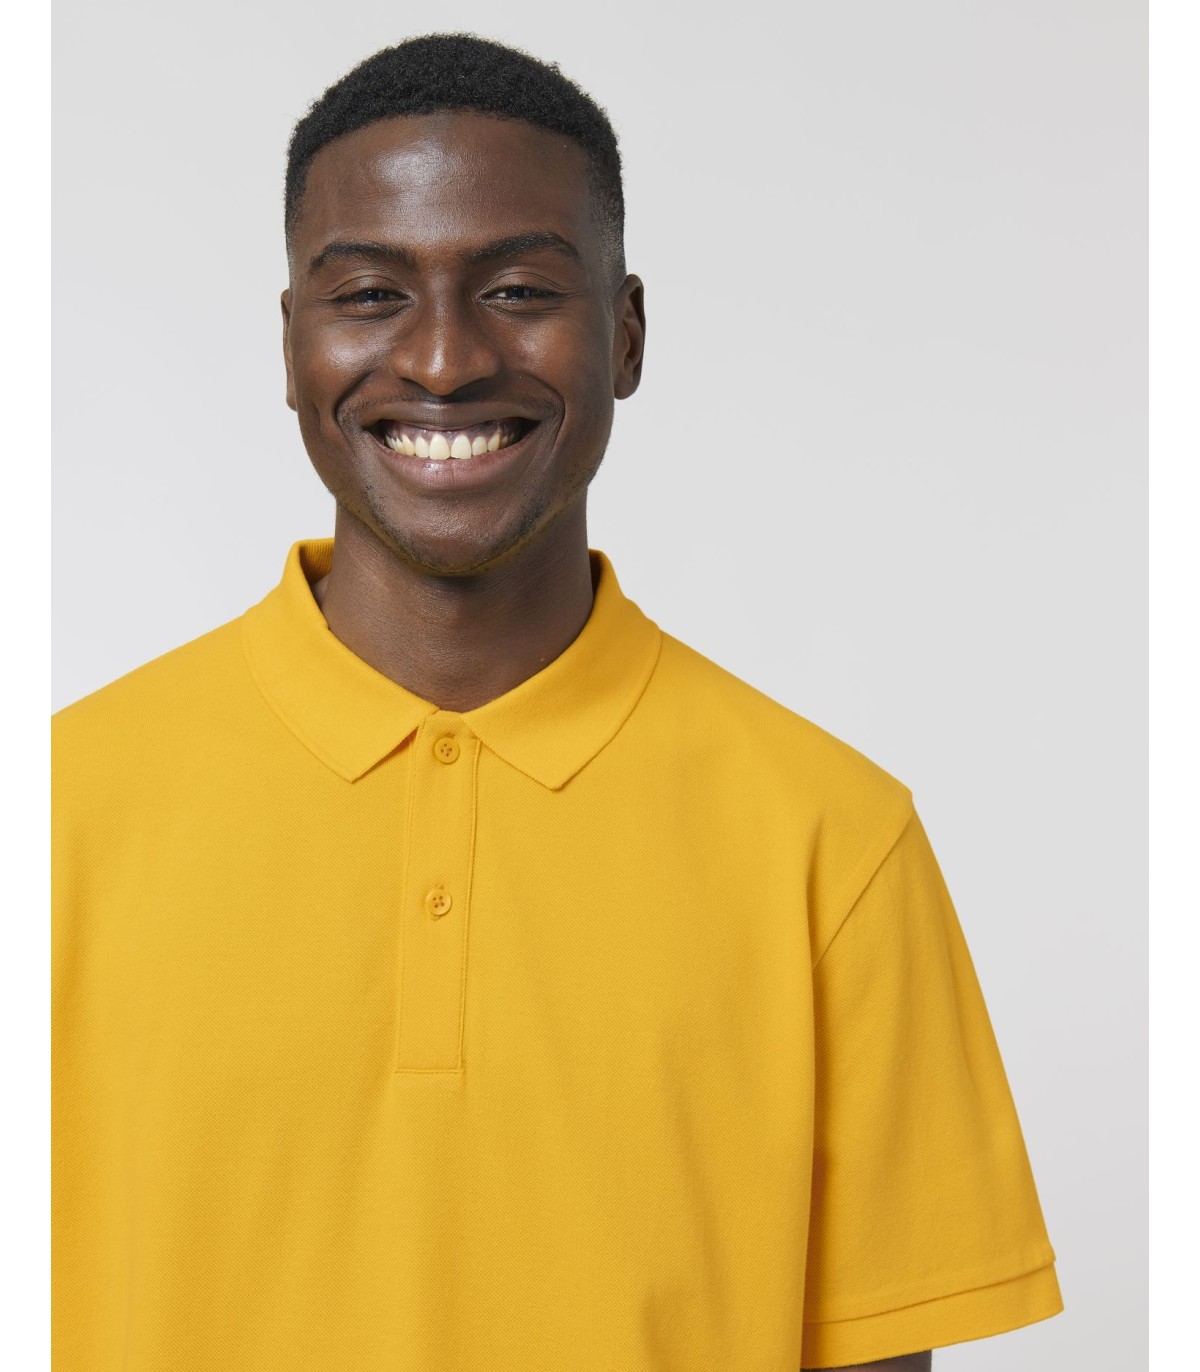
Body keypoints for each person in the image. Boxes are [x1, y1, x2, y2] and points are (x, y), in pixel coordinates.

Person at [51, 33, 1063, 1372]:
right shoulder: (54, 818)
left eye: (520, 289)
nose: (444, 359)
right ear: (292, 344)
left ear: (627, 333)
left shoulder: (835, 842)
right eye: (370, 295)